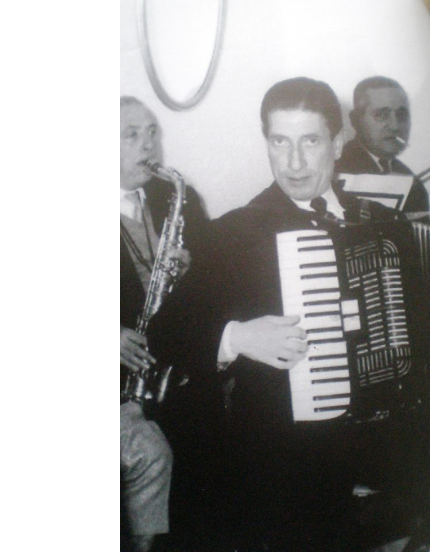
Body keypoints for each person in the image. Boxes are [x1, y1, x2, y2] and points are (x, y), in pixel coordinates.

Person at [149, 78, 429, 551]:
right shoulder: (236, 232)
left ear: (337, 144)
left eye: (310, 141)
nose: (294, 162)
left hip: (391, 444)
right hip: (294, 462)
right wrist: (237, 338)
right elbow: (165, 333)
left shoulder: (386, 223)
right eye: (280, 142)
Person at [119, 96, 208, 552]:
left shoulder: (177, 195)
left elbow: (218, 274)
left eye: (152, 132)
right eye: (132, 134)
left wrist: (193, 266)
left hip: (174, 368)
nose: (148, 144)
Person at [336, 76, 430, 218]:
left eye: (401, 115)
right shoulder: (336, 169)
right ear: (355, 120)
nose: (395, 126)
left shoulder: (411, 181)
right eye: (381, 115)